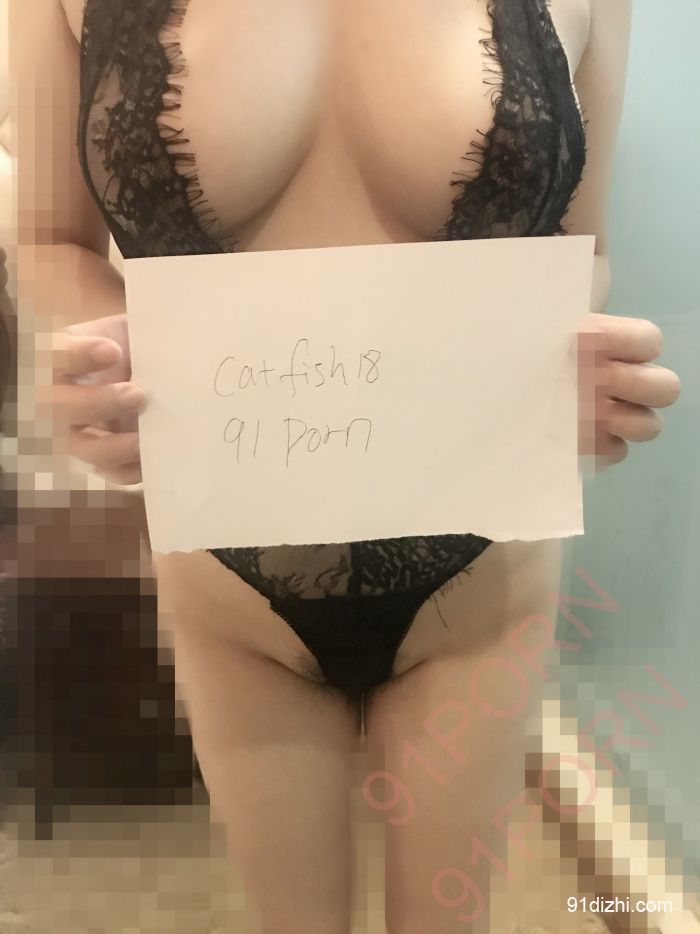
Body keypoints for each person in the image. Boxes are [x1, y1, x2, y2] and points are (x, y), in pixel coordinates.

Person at [14, 0, 681, 931]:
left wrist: (579, 352)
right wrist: (90, 349)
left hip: (482, 585)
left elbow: (586, 252)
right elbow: (48, 241)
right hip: (231, 591)